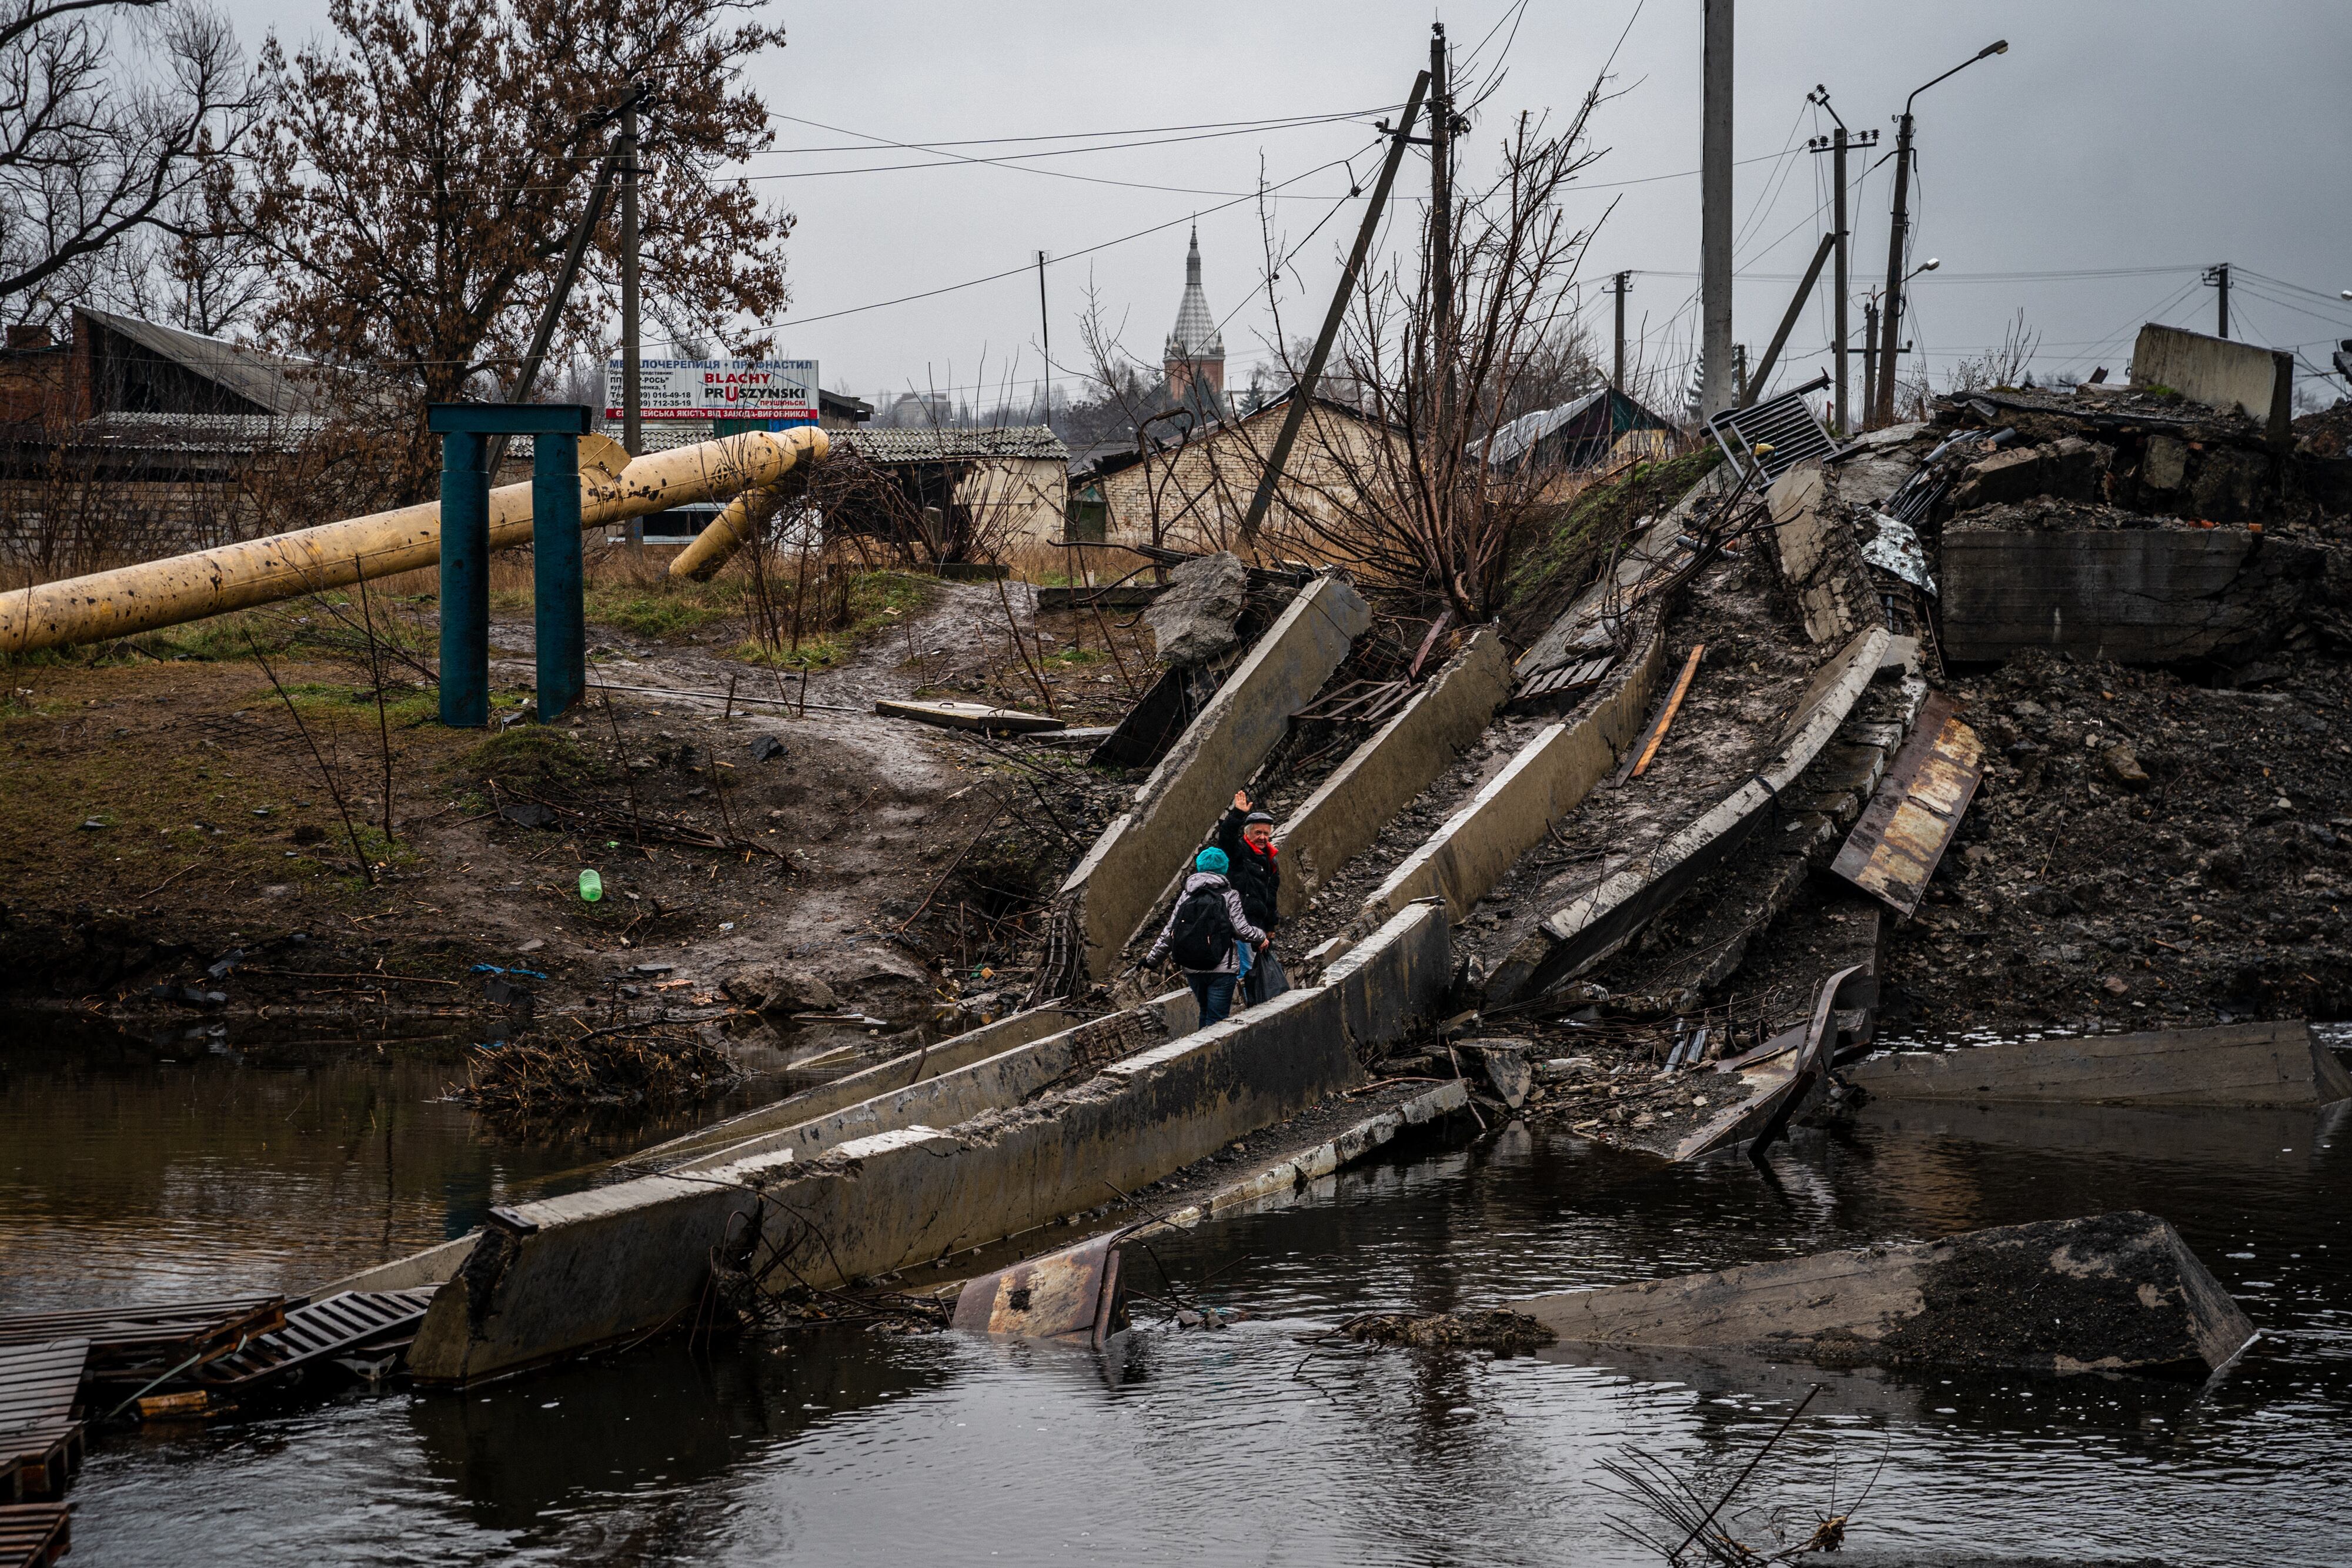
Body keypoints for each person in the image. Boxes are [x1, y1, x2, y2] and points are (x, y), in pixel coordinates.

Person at [1145, 846, 1264, 1028]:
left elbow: (1170, 932)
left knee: (1205, 1011)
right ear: (1224, 868)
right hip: (1222, 968)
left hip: (1193, 968)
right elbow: (1242, 930)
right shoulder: (1229, 895)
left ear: (1200, 867)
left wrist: (1151, 960)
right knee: (1217, 1020)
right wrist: (1261, 937)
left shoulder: (1186, 895)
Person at [1215, 788, 1289, 1004]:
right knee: (1248, 968)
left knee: (1259, 968)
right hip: (1242, 925)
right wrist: (1238, 814)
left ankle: (1260, 1003)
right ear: (1248, 834)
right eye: (1258, 833)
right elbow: (1226, 838)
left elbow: (1270, 896)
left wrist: (1271, 925)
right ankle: (1253, 1008)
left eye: (1266, 833)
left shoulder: (1270, 859)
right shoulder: (1239, 854)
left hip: (1260, 925)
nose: (1262, 838)